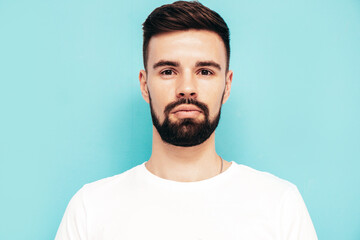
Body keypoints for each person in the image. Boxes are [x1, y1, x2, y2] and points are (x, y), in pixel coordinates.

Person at [55, 1, 318, 239]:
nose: (187, 88)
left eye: (205, 71)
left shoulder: (280, 205)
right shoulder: (91, 208)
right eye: (168, 71)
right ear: (145, 85)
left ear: (227, 86)